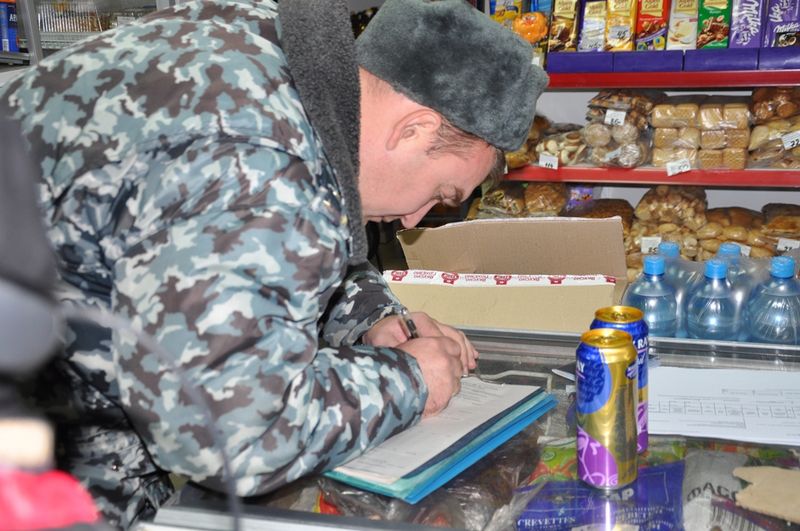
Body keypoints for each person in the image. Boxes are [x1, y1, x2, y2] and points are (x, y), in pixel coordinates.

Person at [0, 0, 547, 526]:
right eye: (441, 193)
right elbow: (235, 436)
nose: (413, 219)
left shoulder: (279, 58)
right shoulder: (257, 161)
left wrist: (373, 318)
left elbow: (267, 245)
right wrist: (411, 379)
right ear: (413, 129)